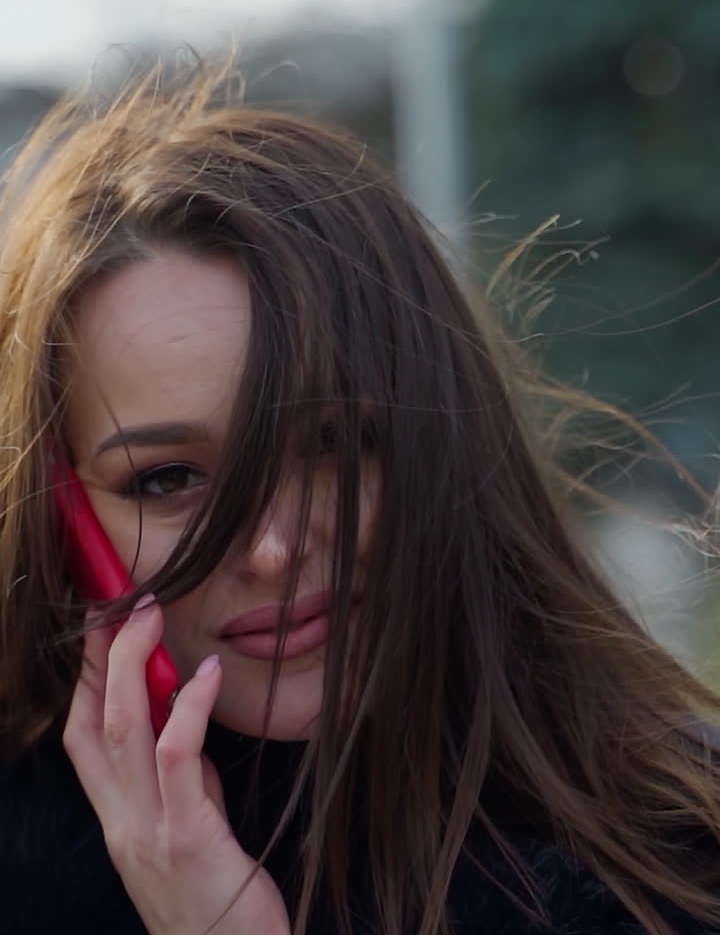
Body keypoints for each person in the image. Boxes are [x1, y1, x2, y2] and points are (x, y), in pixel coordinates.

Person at [0, 60, 720, 935]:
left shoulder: (680, 855)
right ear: (64, 512)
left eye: (335, 445)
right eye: (166, 479)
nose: (272, 547)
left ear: (441, 437)